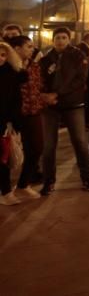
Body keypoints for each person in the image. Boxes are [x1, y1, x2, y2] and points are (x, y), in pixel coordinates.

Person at [38, 27, 89, 193]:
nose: (60, 41)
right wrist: (45, 95)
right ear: (53, 40)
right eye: (57, 37)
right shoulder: (47, 58)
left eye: (64, 37)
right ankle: (48, 181)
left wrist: (57, 93)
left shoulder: (78, 56)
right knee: (48, 145)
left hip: (73, 104)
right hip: (51, 106)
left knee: (79, 142)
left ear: (69, 39)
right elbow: (40, 79)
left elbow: (79, 80)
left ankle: (87, 177)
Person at [10, 36, 44, 194]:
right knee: (8, 153)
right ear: (17, 49)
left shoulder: (34, 65)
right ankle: (5, 190)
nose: (32, 49)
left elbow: (37, 87)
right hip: (14, 114)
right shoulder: (8, 66)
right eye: (28, 46)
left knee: (36, 147)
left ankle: (24, 184)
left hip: (33, 111)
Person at [0, 41, 25, 205]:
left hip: (2, 121)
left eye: (3, 55)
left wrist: (13, 122)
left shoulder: (10, 75)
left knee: (2, 158)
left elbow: (16, 101)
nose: (0, 58)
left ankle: (6, 192)